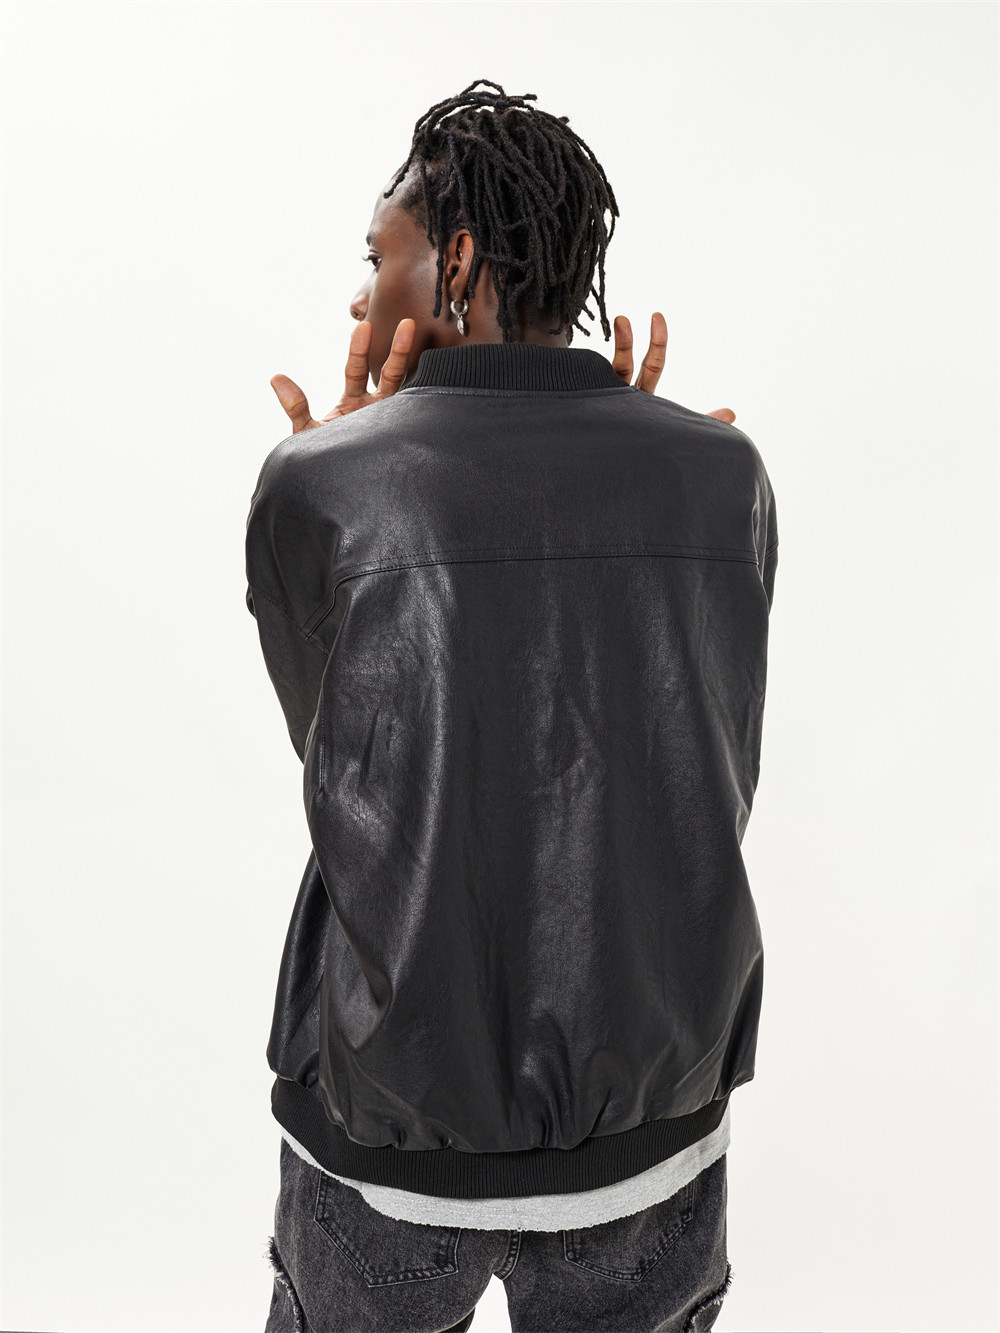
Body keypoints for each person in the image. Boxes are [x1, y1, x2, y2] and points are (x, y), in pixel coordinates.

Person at [247, 78, 778, 1333]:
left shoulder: (317, 483)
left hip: (389, 1121)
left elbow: (347, 767)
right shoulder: (726, 474)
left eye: (376, 258)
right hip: (653, 1117)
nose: (359, 296)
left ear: (458, 261)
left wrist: (342, 462)